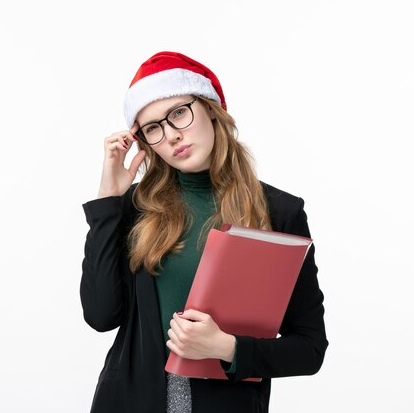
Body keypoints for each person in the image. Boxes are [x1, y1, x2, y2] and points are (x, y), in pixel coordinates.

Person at [79, 51, 328, 413]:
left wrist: (227, 348)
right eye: (153, 128)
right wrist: (108, 204)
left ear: (210, 108)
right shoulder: (136, 207)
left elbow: (309, 349)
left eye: (179, 112)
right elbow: (100, 316)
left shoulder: (279, 212)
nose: (172, 135)